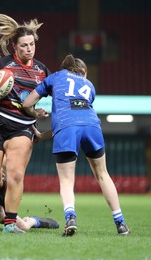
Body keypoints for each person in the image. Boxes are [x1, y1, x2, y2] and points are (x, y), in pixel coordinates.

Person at [22, 54, 130, 236]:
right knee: (103, 174)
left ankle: (70, 218)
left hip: (66, 127)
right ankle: (121, 223)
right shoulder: (89, 86)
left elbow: (27, 103)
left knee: (66, 180)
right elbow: (78, 118)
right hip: (92, 126)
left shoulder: (56, 76)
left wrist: (35, 114)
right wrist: (42, 136)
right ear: (83, 72)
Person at [0, 13, 51, 233]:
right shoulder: (2, 64)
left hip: (22, 126)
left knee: (16, 173)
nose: (29, 49)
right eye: (24, 45)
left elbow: (55, 93)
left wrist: (38, 111)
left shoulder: (42, 71)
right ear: (14, 47)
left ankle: (9, 223)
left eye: (32, 44)